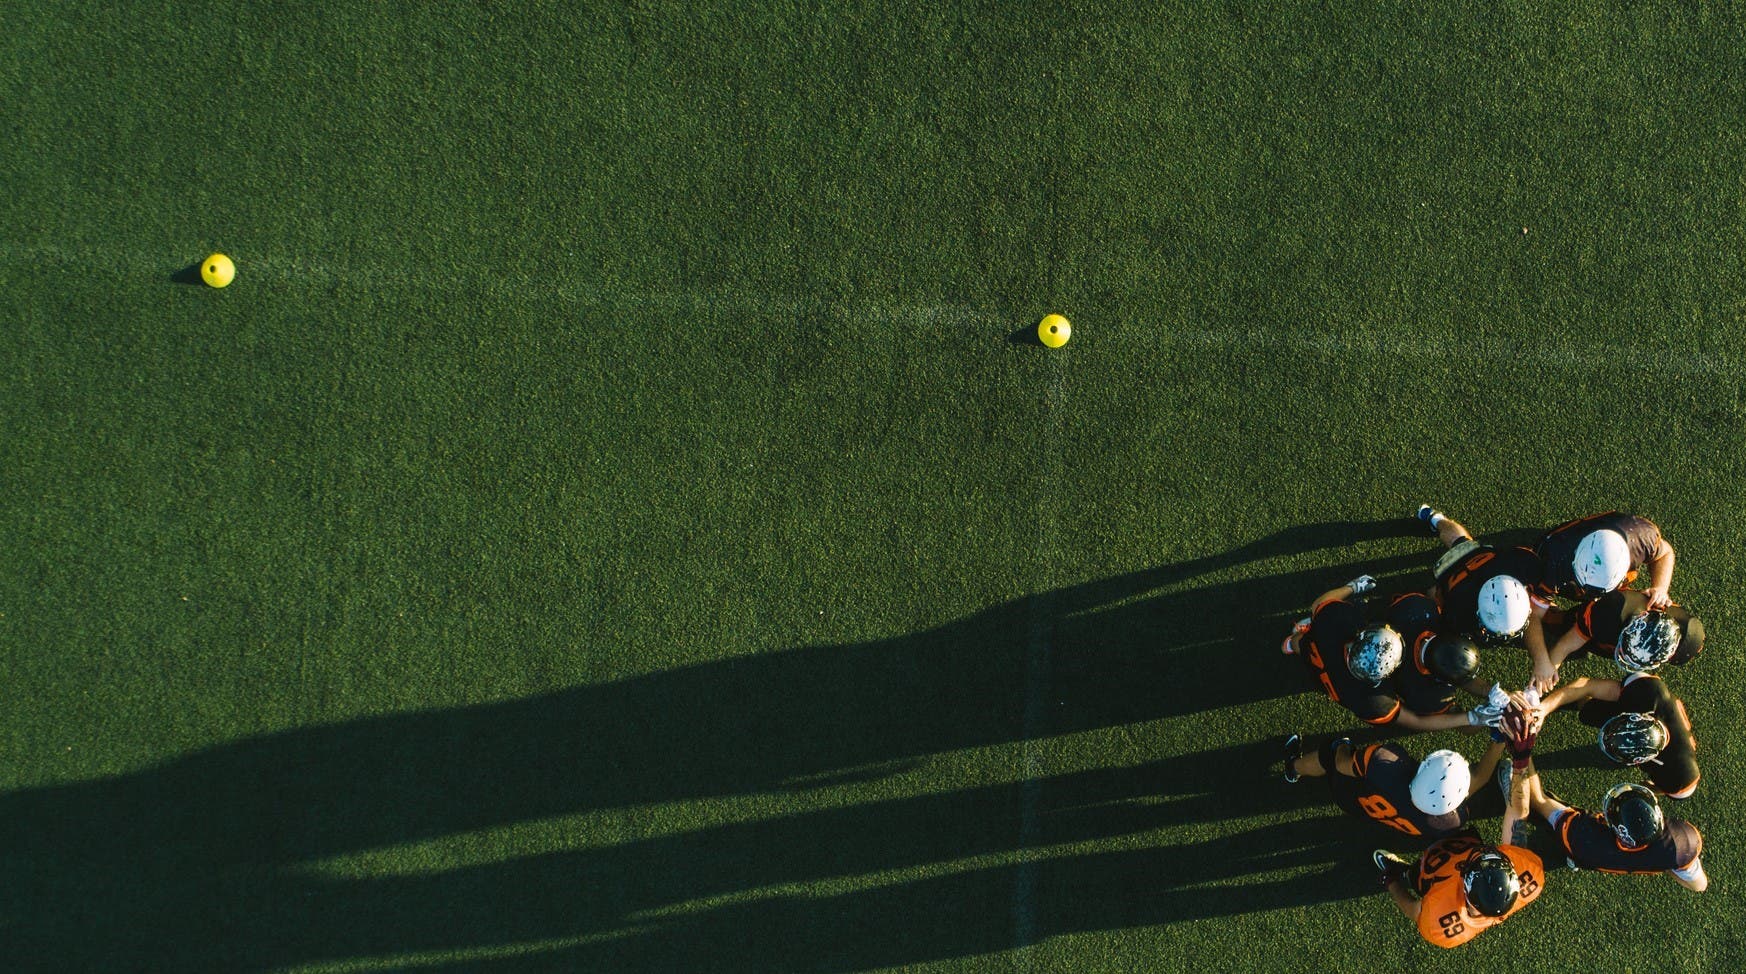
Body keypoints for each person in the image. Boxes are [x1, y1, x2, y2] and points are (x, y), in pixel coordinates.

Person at [1372, 707, 1545, 947]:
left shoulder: (1442, 920)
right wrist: (1520, 759)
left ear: (1466, 893)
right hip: (1464, 843)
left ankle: (1402, 872)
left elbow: (1414, 910)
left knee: (1418, 874)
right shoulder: (1529, 877)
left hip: (1432, 873)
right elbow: (1518, 814)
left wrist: (1391, 882)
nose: (1485, 853)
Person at [1282, 577, 1509, 731]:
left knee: (1305, 643)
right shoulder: (1375, 702)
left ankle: (1292, 643)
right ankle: (1295, 645)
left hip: (1320, 655)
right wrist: (1471, 717)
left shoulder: (1337, 622)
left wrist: (1353, 587)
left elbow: (1319, 605)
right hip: (1333, 686)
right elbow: (1416, 721)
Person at [1282, 735, 1506, 840]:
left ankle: (1293, 768)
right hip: (1366, 812)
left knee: (1330, 757)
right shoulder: (1449, 821)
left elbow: (1342, 765)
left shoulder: (1386, 763)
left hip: (1350, 791)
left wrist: (1342, 746)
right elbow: (1480, 778)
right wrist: (1500, 739)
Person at [1525, 776, 1707, 891]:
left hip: (1581, 846)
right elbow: (1699, 885)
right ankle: (1573, 860)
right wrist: (1668, 865)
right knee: (1582, 855)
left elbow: (1539, 800)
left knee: (1541, 808)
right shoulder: (1681, 844)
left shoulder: (1586, 835)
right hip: (1593, 858)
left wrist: (1523, 755)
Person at [1538, 674, 1700, 798]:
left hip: (1674, 758)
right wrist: (1544, 709)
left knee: (1591, 713)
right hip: (1647, 700)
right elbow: (1586, 685)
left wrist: (1656, 788)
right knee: (1588, 710)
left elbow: (1683, 788)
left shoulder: (1680, 777)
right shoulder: (1646, 693)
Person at [1414, 505, 1547, 647]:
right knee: (1433, 597)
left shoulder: (1523, 565)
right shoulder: (1458, 612)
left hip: (1484, 558)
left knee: (1460, 540)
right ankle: (1435, 519)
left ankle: (1435, 518)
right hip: (1455, 572)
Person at [1526, 588, 1705, 691]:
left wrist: (1661, 586)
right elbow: (1567, 644)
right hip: (1606, 608)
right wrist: (1545, 672)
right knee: (1560, 623)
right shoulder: (1612, 612)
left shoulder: (1675, 638)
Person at [1533, 511, 1675, 608]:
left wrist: (1660, 588)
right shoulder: (1551, 557)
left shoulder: (1641, 537)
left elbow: (1665, 553)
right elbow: (1537, 608)